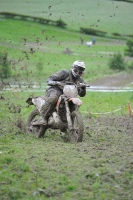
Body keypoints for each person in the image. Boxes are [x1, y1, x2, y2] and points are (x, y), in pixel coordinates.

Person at [40, 60, 87, 125]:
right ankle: (42, 117)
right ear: (73, 67)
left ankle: (69, 123)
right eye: (78, 69)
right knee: (53, 98)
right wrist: (53, 82)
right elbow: (50, 79)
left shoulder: (80, 80)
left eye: (81, 69)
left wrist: (83, 88)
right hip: (56, 90)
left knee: (75, 104)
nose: (79, 71)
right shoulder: (64, 73)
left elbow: (82, 94)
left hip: (69, 94)